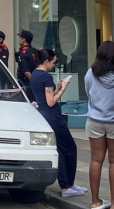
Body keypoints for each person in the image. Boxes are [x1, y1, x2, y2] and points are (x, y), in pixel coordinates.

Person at [84, 41, 114, 209]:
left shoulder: (91, 73)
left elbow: (88, 92)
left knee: (95, 160)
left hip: (95, 120)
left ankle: (95, 201)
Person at [31, 48, 84, 198]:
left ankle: (67, 184)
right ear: (46, 61)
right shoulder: (46, 77)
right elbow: (51, 101)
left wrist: (57, 88)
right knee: (70, 148)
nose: (54, 65)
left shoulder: (35, 74)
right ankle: (67, 185)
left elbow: (45, 98)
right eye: (53, 62)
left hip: (44, 115)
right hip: (53, 116)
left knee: (60, 150)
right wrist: (63, 89)